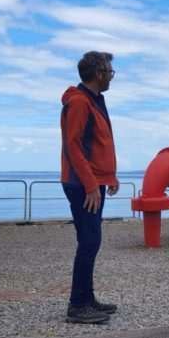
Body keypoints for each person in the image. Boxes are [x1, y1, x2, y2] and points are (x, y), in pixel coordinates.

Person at [60, 51, 120, 324]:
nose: (111, 76)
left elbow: (96, 145)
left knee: (91, 242)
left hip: (93, 182)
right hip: (82, 184)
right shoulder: (80, 102)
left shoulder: (94, 100)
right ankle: (78, 305)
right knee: (89, 242)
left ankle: (87, 297)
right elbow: (74, 146)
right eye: (110, 71)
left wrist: (109, 176)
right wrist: (91, 185)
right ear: (99, 73)